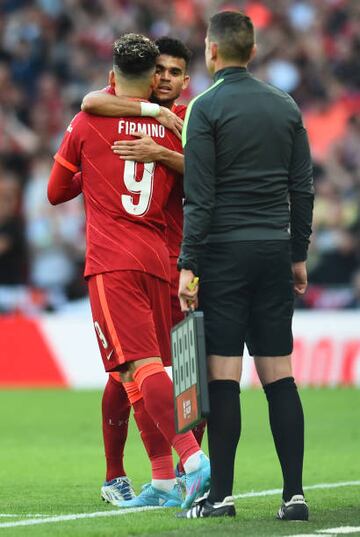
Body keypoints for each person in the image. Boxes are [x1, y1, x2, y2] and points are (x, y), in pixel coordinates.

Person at [48, 33, 210, 510]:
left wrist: (156, 149)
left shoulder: (182, 121)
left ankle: (193, 463)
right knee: (133, 374)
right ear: (149, 76)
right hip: (161, 257)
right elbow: (94, 99)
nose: (165, 78)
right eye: (158, 70)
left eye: (175, 72)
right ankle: (157, 479)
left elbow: (209, 175)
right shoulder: (159, 119)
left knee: (165, 372)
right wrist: (150, 115)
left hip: (168, 261)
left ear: (186, 80)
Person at [178, 11, 314, 519]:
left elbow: (200, 197)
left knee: (223, 378)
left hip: (224, 254)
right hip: (273, 250)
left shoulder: (204, 108)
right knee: (280, 375)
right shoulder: (286, 106)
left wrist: (188, 263)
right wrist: (296, 253)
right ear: (252, 52)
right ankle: (294, 495)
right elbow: (302, 189)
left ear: (211, 51)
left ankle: (222, 497)